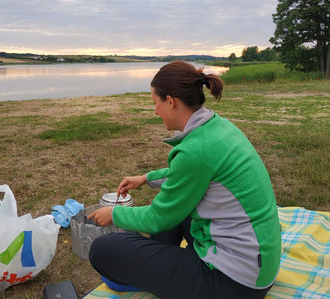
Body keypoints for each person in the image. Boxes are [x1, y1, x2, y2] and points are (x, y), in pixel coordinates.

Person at [87, 61, 281, 299]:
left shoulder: (195, 151)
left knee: (102, 250)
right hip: (257, 264)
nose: (155, 111)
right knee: (177, 203)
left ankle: (151, 272)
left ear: (170, 101)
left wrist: (113, 214)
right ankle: (157, 269)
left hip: (235, 283)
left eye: (155, 102)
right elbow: (188, 177)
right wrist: (145, 179)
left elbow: (159, 217)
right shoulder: (217, 127)